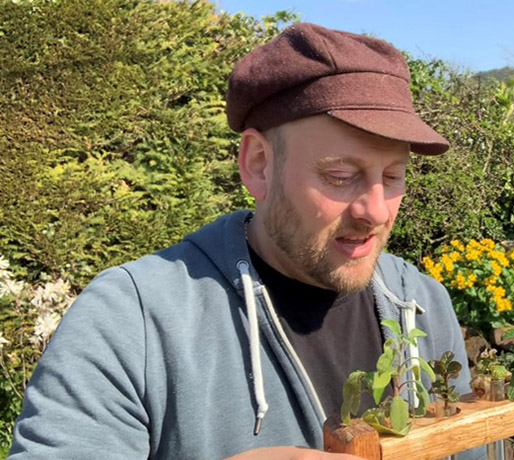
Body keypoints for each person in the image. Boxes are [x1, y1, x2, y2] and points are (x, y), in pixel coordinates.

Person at [9, 23, 476, 459]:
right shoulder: (131, 322)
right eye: (340, 176)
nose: (375, 210)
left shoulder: (422, 305)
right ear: (258, 164)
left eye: (393, 176)